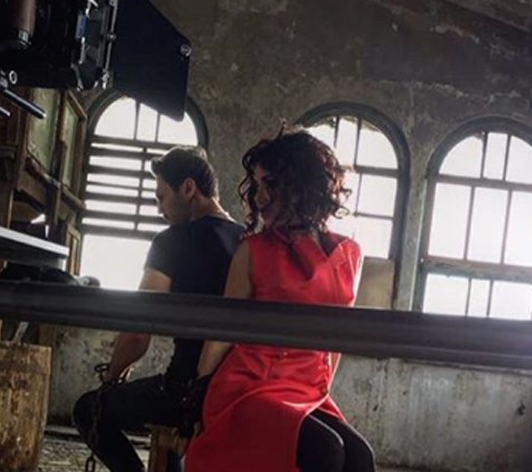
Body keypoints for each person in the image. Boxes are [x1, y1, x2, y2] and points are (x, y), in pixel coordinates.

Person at [183, 128, 376, 472]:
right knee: (327, 450)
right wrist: (198, 395)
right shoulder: (253, 250)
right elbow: (222, 333)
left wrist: (320, 389)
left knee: (361, 457)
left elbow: (336, 341)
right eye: (256, 185)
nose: (259, 197)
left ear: (301, 184)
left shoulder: (349, 254)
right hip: (250, 387)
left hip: (305, 388)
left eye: (269, 183)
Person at [73, 146, 243, 472]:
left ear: (188, 188)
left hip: (185, 389)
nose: (159, 209)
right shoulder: (247, 242)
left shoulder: (171, 241)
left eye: (161, 197)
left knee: (88, 409)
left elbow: (138, 332)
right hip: (236, 386)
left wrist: (113, 374)